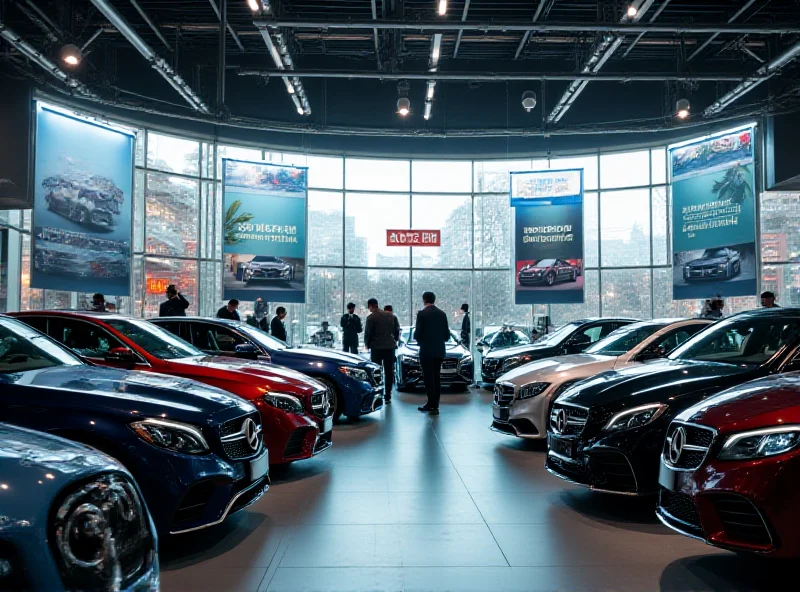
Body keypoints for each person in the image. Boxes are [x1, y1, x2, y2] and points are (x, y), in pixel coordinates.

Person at [414, 291, 450, 416]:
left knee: (428, 377)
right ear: (434, 300)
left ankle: (431, 403)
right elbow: (447, 335)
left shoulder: (422, 314)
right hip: (440, 350)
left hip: (426, 350)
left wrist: (421, 339)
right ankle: (436, 403)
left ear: (424, 300)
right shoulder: (442, 314)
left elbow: (417, 334)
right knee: (436, 376)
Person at [365, 298, 397, 404]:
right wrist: (393, 340)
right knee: (389, 371)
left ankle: (377, 393)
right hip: (389, 347)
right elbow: (396, 331)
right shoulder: (391, 316)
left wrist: (367, 344)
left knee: (376, 371)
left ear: (371, 306)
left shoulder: (371, 317)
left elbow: (368, 333)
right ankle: (388, 395)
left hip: (376, 347)